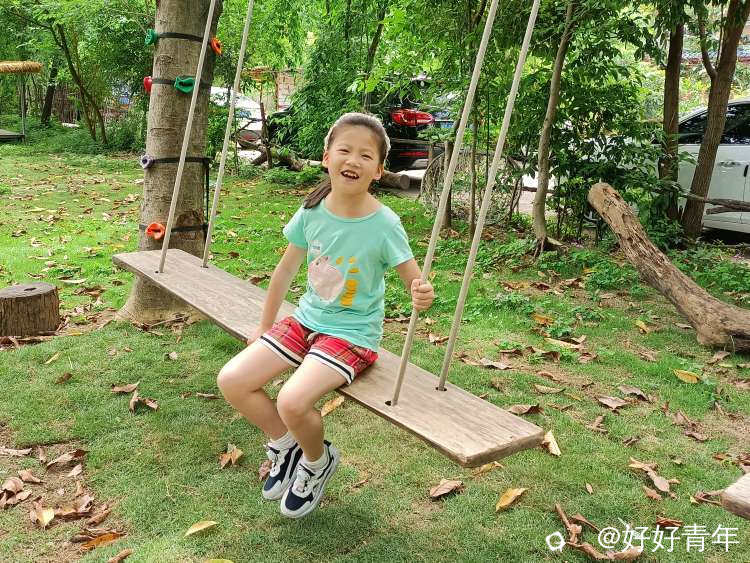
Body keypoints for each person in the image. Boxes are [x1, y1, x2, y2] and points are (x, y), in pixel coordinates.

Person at [217, 112, 435, 519]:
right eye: (345, 150)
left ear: (379, 170)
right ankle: (286, 444)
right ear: (327, 157)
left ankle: (317, 462)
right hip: (305, 320)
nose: (353, 160)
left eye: (366, 155)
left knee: (292, 400)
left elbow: (414, 281)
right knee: (232, 380)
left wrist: (421, 293)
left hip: (351, 335)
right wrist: (264, 327)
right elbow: (285, 271)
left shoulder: (385, 224)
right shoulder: (312, 211)